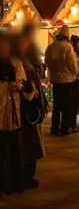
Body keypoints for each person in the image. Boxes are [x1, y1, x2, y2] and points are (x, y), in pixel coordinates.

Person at [17, 30, 48, 190]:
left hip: (20, 111)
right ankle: (25, 178)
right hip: (29, 111)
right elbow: (34, 83)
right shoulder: (25, 66)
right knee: (29, 144)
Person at [0, 32, 25, 197]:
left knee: (6, 150)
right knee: (11, 150)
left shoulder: (15, 63)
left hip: (9, 113)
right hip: (11, 113)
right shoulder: (15, 63)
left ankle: (7, 184)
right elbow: (22, 84)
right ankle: (11, 184)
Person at [45, 25, 78, 136]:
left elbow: (47, 62)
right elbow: (72, 64)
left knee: (56, 105)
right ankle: (64, 128)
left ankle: (54, 128)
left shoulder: (50, 47)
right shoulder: (67, 47)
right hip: (67, 80)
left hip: (55, 80)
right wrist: (75, 73)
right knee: (66, 106)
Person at [69, 35, 79, 133]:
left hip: (76, 79)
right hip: (74, 79)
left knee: (74, 103)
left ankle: (72, 123)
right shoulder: (72, 52)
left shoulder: (76, 52)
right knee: (73, 103)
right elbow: (75, 66)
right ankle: (72, 124)